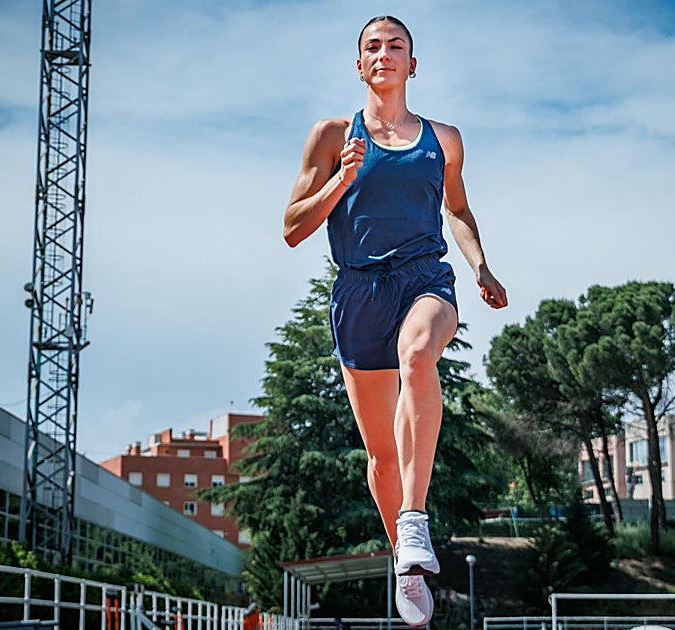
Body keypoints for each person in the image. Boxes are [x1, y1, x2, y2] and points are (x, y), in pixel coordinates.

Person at [283, 15, 508, 628]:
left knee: (418, 353)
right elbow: (292, 229)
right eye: (373, 47)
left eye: (396, 46)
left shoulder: (445, 139)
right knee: (382, 456)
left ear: (413, 63)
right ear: (359, 65)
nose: (384, 54)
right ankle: (406, 564)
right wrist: (342, 179)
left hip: (424, 278)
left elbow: (457, 211)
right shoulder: (332, 135)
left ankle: (415, 520)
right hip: (358, 294)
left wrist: (481, 266)